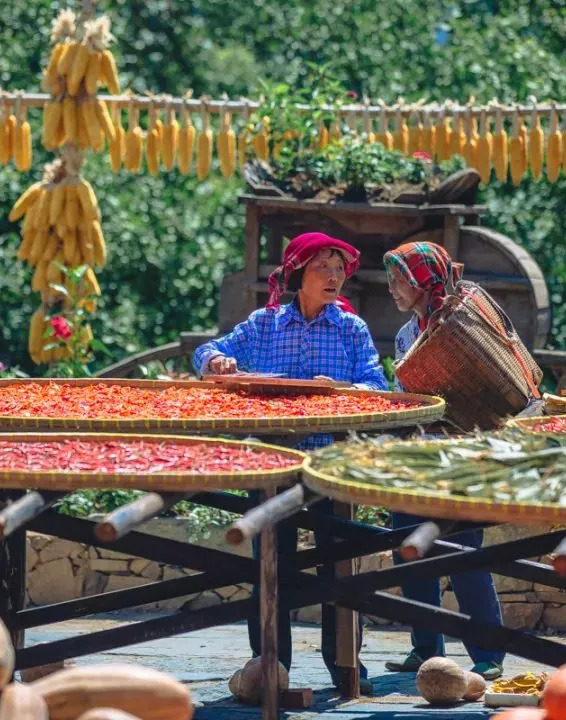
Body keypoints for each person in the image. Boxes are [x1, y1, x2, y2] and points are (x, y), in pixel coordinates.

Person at [193, 231, 387, 692]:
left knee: (337, 566)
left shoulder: (350, 329)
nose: (335, 276)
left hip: (330, 464)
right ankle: (268, 668)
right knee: (270, 566)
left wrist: (341, 392)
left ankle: (344, 667)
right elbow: (204, 353)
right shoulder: (264, 325)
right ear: (300, 275)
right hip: (273, 464)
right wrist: (218, 361)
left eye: (340, 269)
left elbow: (377, 386)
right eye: (324, 268)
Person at [380, 240, 506, 680]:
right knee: (408, 550)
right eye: (392, 278)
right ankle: (426, 647)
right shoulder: (404, 335)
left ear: (423, 280)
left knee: (462, 551)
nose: (392, 287)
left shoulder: (462, 322)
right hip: (416, 457)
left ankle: (489, 653)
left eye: (400, 278)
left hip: (461, 458)